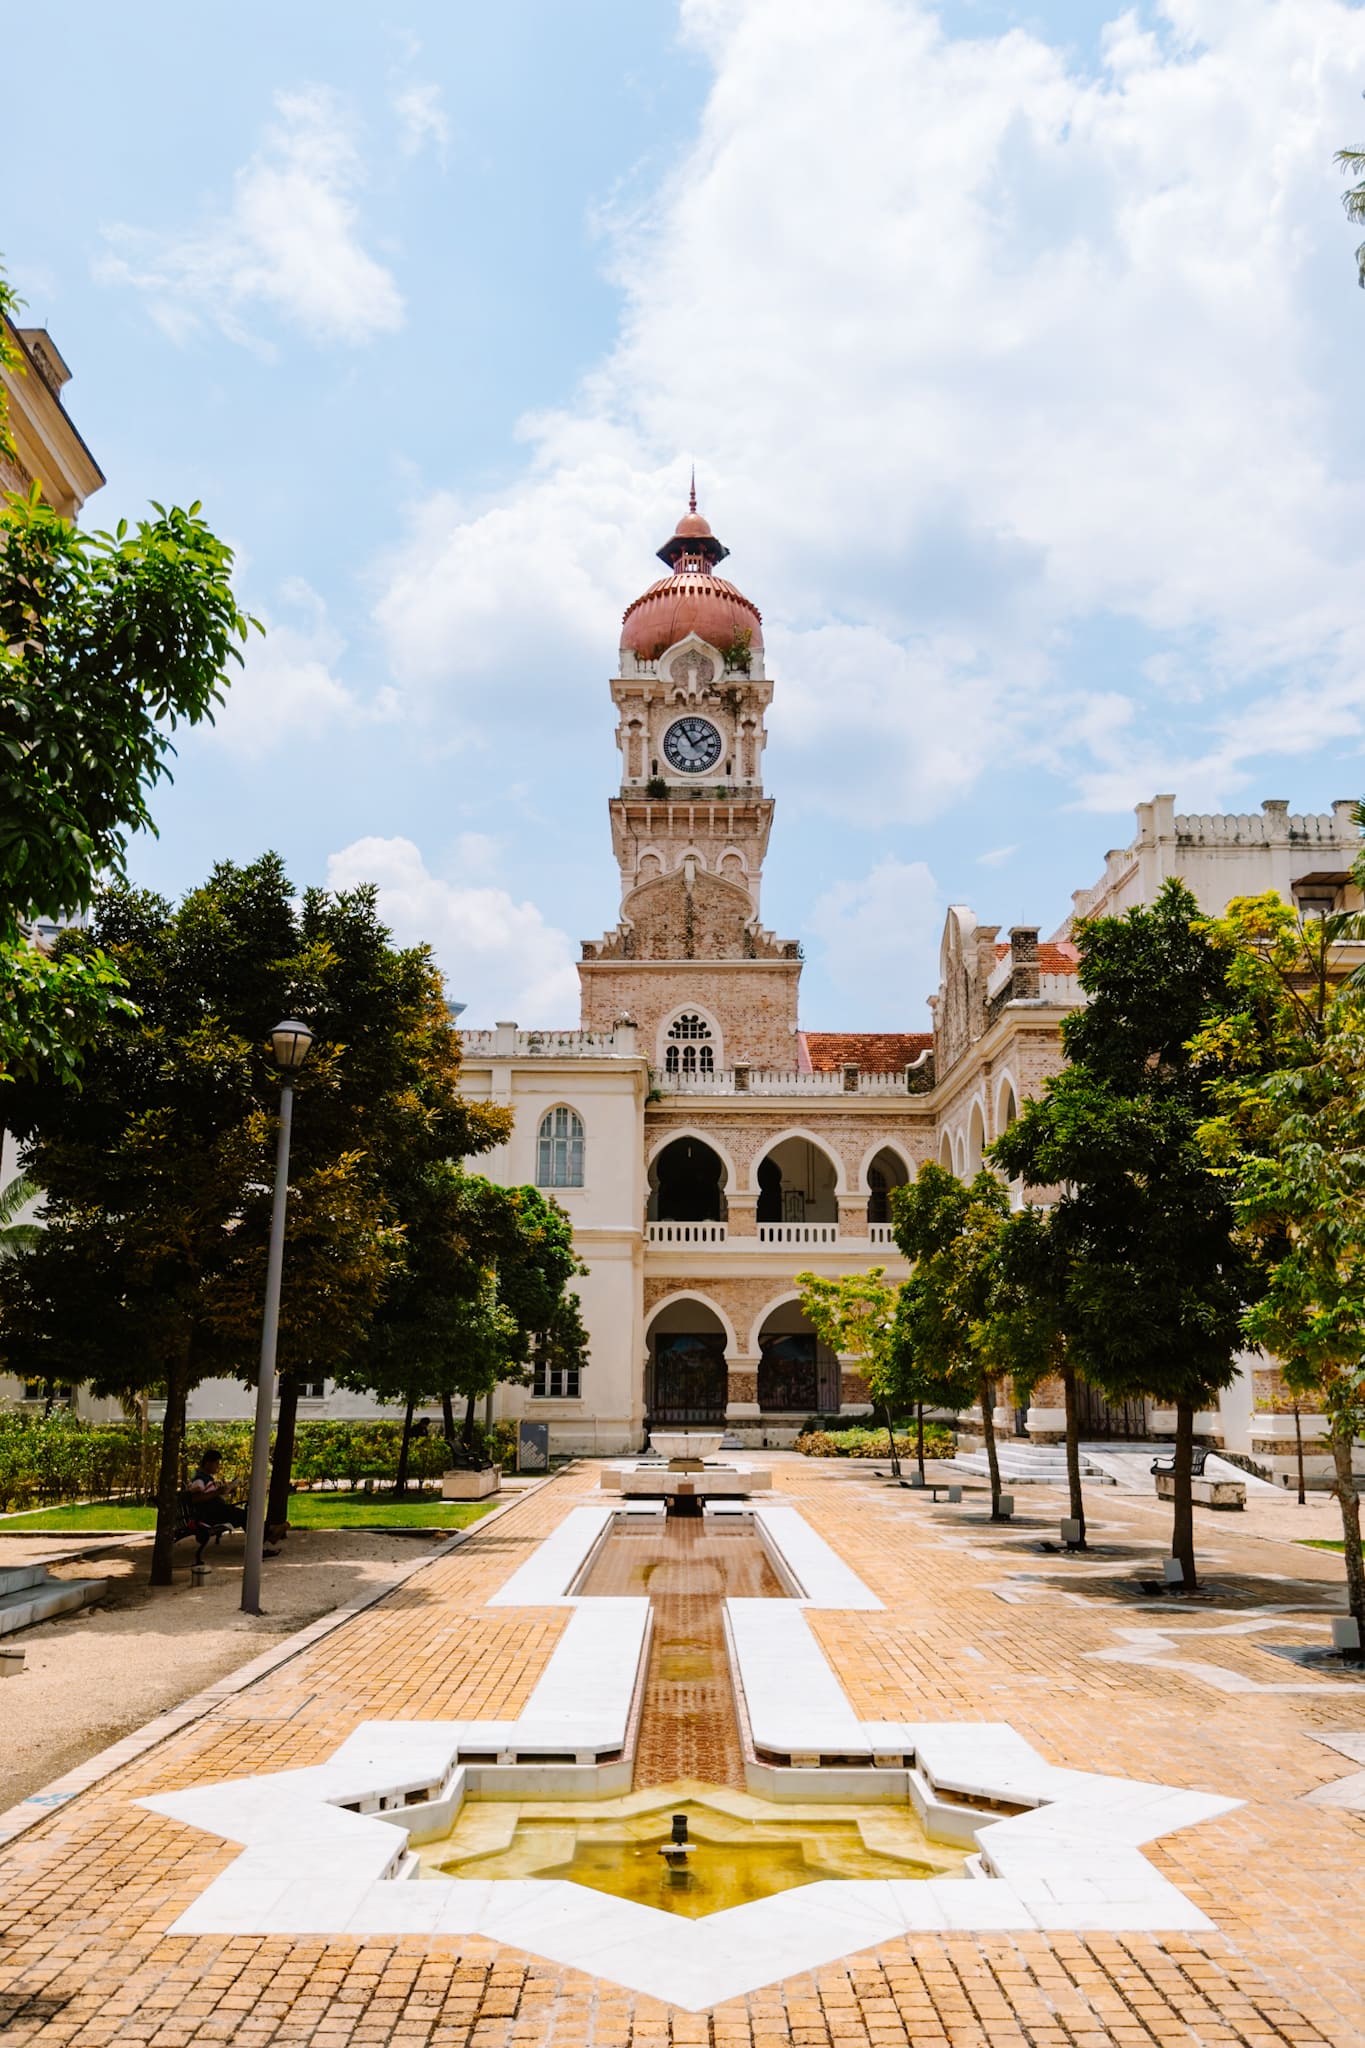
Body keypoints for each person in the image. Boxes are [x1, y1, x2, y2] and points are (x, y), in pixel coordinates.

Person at [187, 1450, 280, 1556]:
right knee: (244, 1516)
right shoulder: (199, 1480)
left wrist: (225, 1490)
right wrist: (217, 1492)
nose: (218, 1466)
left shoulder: (206, 1479)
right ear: (208, 1463)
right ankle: (266, 1536)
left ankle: (266, 1535)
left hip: (217, 1512)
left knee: (245, 1516)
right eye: (216, 1463)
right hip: (209, 1516)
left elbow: (209, 1495)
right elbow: (195, 1499)